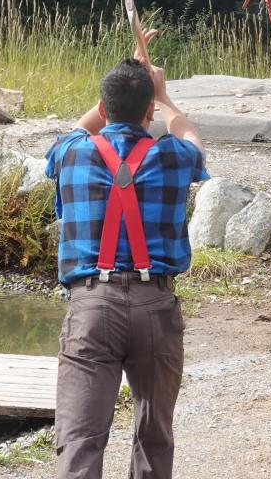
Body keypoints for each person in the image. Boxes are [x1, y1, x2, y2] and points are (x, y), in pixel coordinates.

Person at [45, 39, 208, 479]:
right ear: (149, 112)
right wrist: (162, 94)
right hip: (155, 307)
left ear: (102, 105)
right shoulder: (172, 156)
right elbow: (192, 138)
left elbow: (77, 130)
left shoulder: (73, 152)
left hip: (92, 307)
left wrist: (126, 92)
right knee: (154, 437)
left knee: (80, 440)